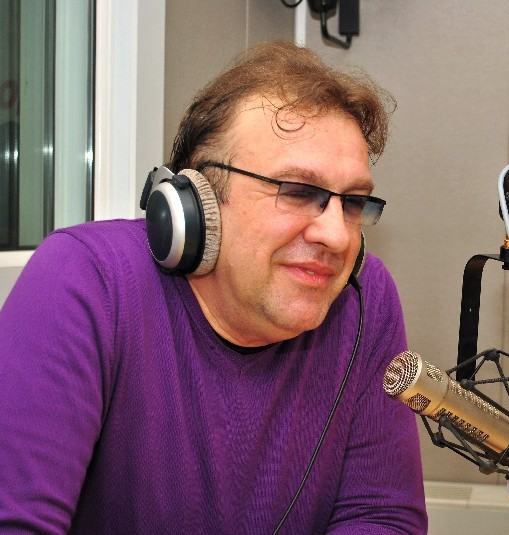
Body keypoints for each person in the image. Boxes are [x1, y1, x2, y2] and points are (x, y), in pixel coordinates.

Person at [0, 41, 427, 534]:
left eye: (352, 202)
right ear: (197, 205)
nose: (337, 235)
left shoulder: (363, 298)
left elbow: (381, 517)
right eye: (297, 191)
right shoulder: (86, 281)